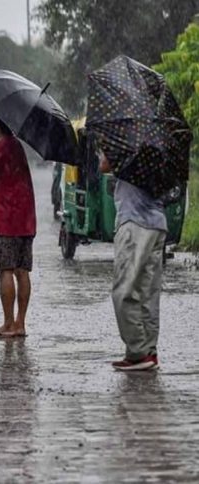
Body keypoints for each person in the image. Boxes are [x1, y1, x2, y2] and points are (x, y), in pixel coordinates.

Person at [100, 154, 166, 371]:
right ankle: (148, 352)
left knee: (124, 291)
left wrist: (104, 150)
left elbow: (104, 166)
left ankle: (138, 352)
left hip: (134, 223)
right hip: (157, 222)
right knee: (147, 292)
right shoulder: (156, 146)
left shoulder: (126, 142)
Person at [0, 114, 36, 339]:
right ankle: (20, 323)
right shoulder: (19, 147)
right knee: (22, 271)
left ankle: (8, 323)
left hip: (5, 220)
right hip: (26, 220)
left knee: (5, 271)